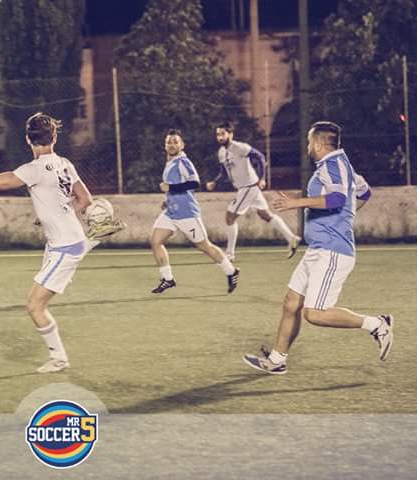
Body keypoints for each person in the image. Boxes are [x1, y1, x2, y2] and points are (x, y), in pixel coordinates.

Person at [242, 121, 393, 375]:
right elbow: (364, 193)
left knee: (315, 314)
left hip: (332, 251)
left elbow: (338, 198)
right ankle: (277, 360)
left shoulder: (334, 165)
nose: (308, 147)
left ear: (320, 143)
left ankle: (377, 324)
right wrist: (346, 218)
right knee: (291, 303)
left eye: (309, 142)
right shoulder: (339, 166)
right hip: (318, 249)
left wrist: (297, 203)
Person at [0, 113, 93, 373]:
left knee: (34, 306)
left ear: (28, 139)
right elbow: (84, 199)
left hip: (66, 247)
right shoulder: (64, 164)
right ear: (54, 137)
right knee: (38, 304)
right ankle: (59, 356)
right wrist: (58, 214)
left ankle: (59, 358)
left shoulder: (33, 170)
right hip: (65, 242)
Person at [150, 130, 240, 294]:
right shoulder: (170, 162)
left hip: (187, 214)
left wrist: (171, 188)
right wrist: (168, 199)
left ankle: (231, 271)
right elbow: (175, 186)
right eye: (169, 142)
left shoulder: (183, 162)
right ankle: (168, 279)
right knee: (156, 241)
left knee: (204, 246)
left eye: (175, 142)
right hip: (171, 212)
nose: (172, 145)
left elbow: (194, 183)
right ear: (165, 146)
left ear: (182, 145)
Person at [206, 122, 300, 261]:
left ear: (230, 134)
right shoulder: (221, 152)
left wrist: (262, 178)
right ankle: (292, 238)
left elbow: (260, 157)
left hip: (248, 187)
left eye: (223, 134)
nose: (220, 137)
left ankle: (229, 254)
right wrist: (215, 182)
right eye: (218, 134)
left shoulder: (240, 147)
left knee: (229, 217)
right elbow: (224, 171)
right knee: (265, 214)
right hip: (246, 188)